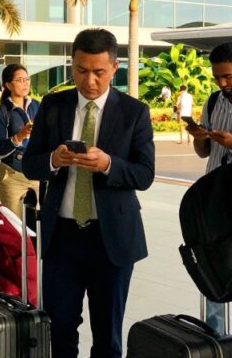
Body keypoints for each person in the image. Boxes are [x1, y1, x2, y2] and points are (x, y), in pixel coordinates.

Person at [22, 28, 155, 358]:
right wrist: (53, 159)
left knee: (107, 335)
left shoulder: (134, 111)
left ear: (114, 67)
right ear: (72, 65)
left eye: (99, 72)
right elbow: (30, 164)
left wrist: (109, 164)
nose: (90, 81)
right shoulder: (53, 105)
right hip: (62, 236)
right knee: (60, 327)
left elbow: (145, 174)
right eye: (81, 71)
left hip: (110, 239)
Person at [182, 41, 232, 335]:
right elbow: (204, 153)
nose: (222, 82)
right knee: (212, 264)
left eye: (228, 76)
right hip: (214, 199)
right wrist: (200, 135)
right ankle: (215, 336)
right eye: (217, 77)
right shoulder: (214, 101)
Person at [0, 63, 40, 218]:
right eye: (20, 80)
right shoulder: (2, 111)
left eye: (27, 79)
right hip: (13, 176)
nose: (25, 83)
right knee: (16, 228)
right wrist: (19, 136)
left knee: (40, 227)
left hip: (38, 174)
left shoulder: (37, 106)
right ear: (8, 84)